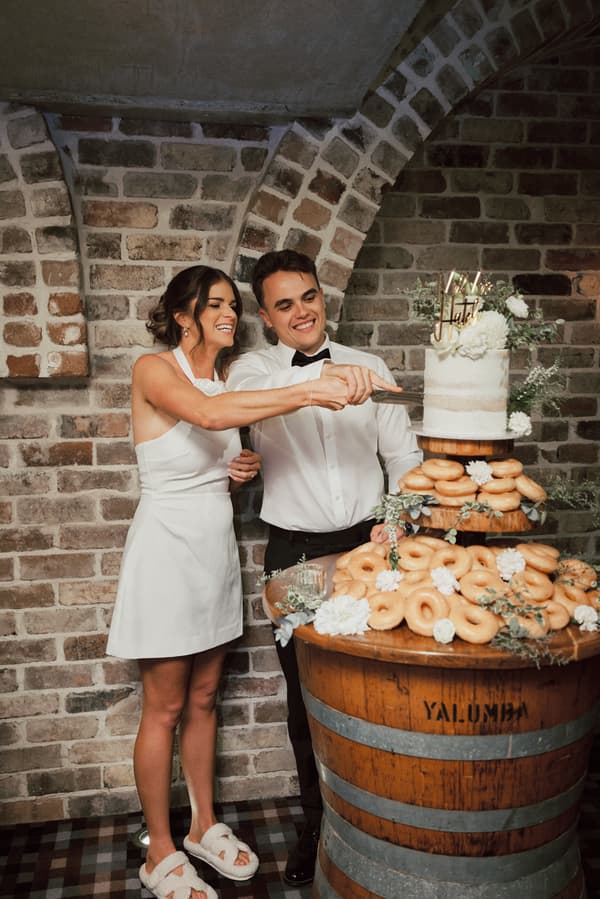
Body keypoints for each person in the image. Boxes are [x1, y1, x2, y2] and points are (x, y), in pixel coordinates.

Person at [106, 264, 399, 899]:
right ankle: (158, 849)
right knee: (163, 707)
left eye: (231, 305)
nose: (228, 315)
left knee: (206, 696)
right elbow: (209, 416)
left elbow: (213, 441)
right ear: (182, 315)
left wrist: (235, 471)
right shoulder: (153, 369)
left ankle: (203, 826)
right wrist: (311, 389)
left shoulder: (221, 375)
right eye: (214, 305)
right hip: (165, 551)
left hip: (213, 549)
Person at [227, 249, 422, 886]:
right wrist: (321, 384)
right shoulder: (251, 372)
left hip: (372, 544)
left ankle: (388, 816)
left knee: (382, 688)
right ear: (265, 316)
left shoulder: (371, 366)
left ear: (322, 298)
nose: (301, 311)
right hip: (297, 552)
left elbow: (406, 458)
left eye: (308, 297)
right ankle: (318, 821)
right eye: (284, 304)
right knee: (308, 695)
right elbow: (247, 404)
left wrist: (397, 519)